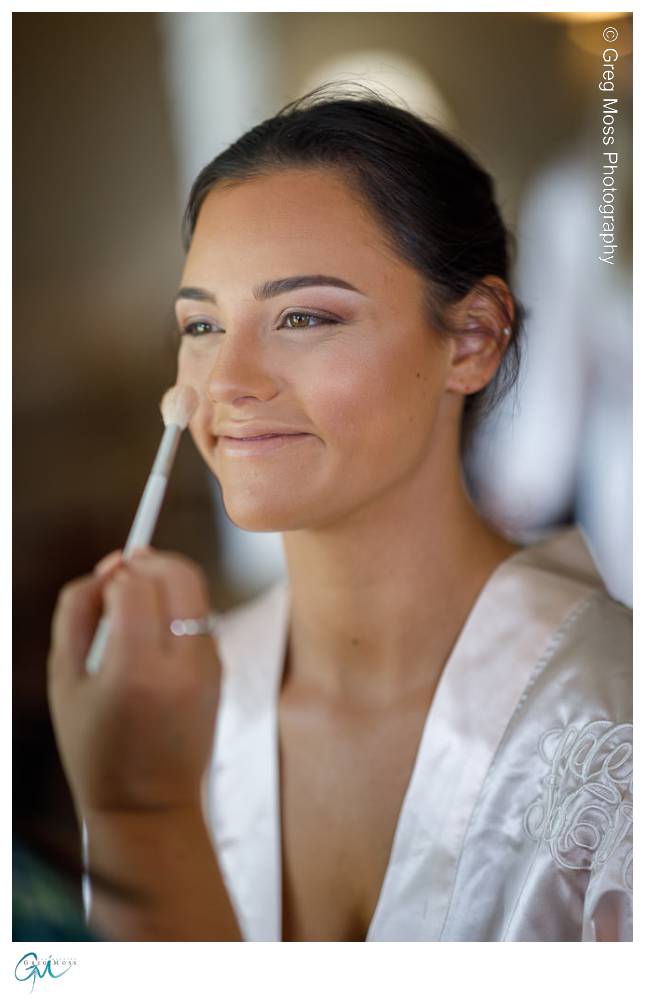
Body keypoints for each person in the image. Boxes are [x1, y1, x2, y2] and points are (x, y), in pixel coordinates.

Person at [47, 84, 632, 942]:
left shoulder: (616, 724)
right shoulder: (163, 713)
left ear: (471, 337)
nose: (230, 382)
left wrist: (143, 817)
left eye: (303, 315)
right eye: (201, 327)